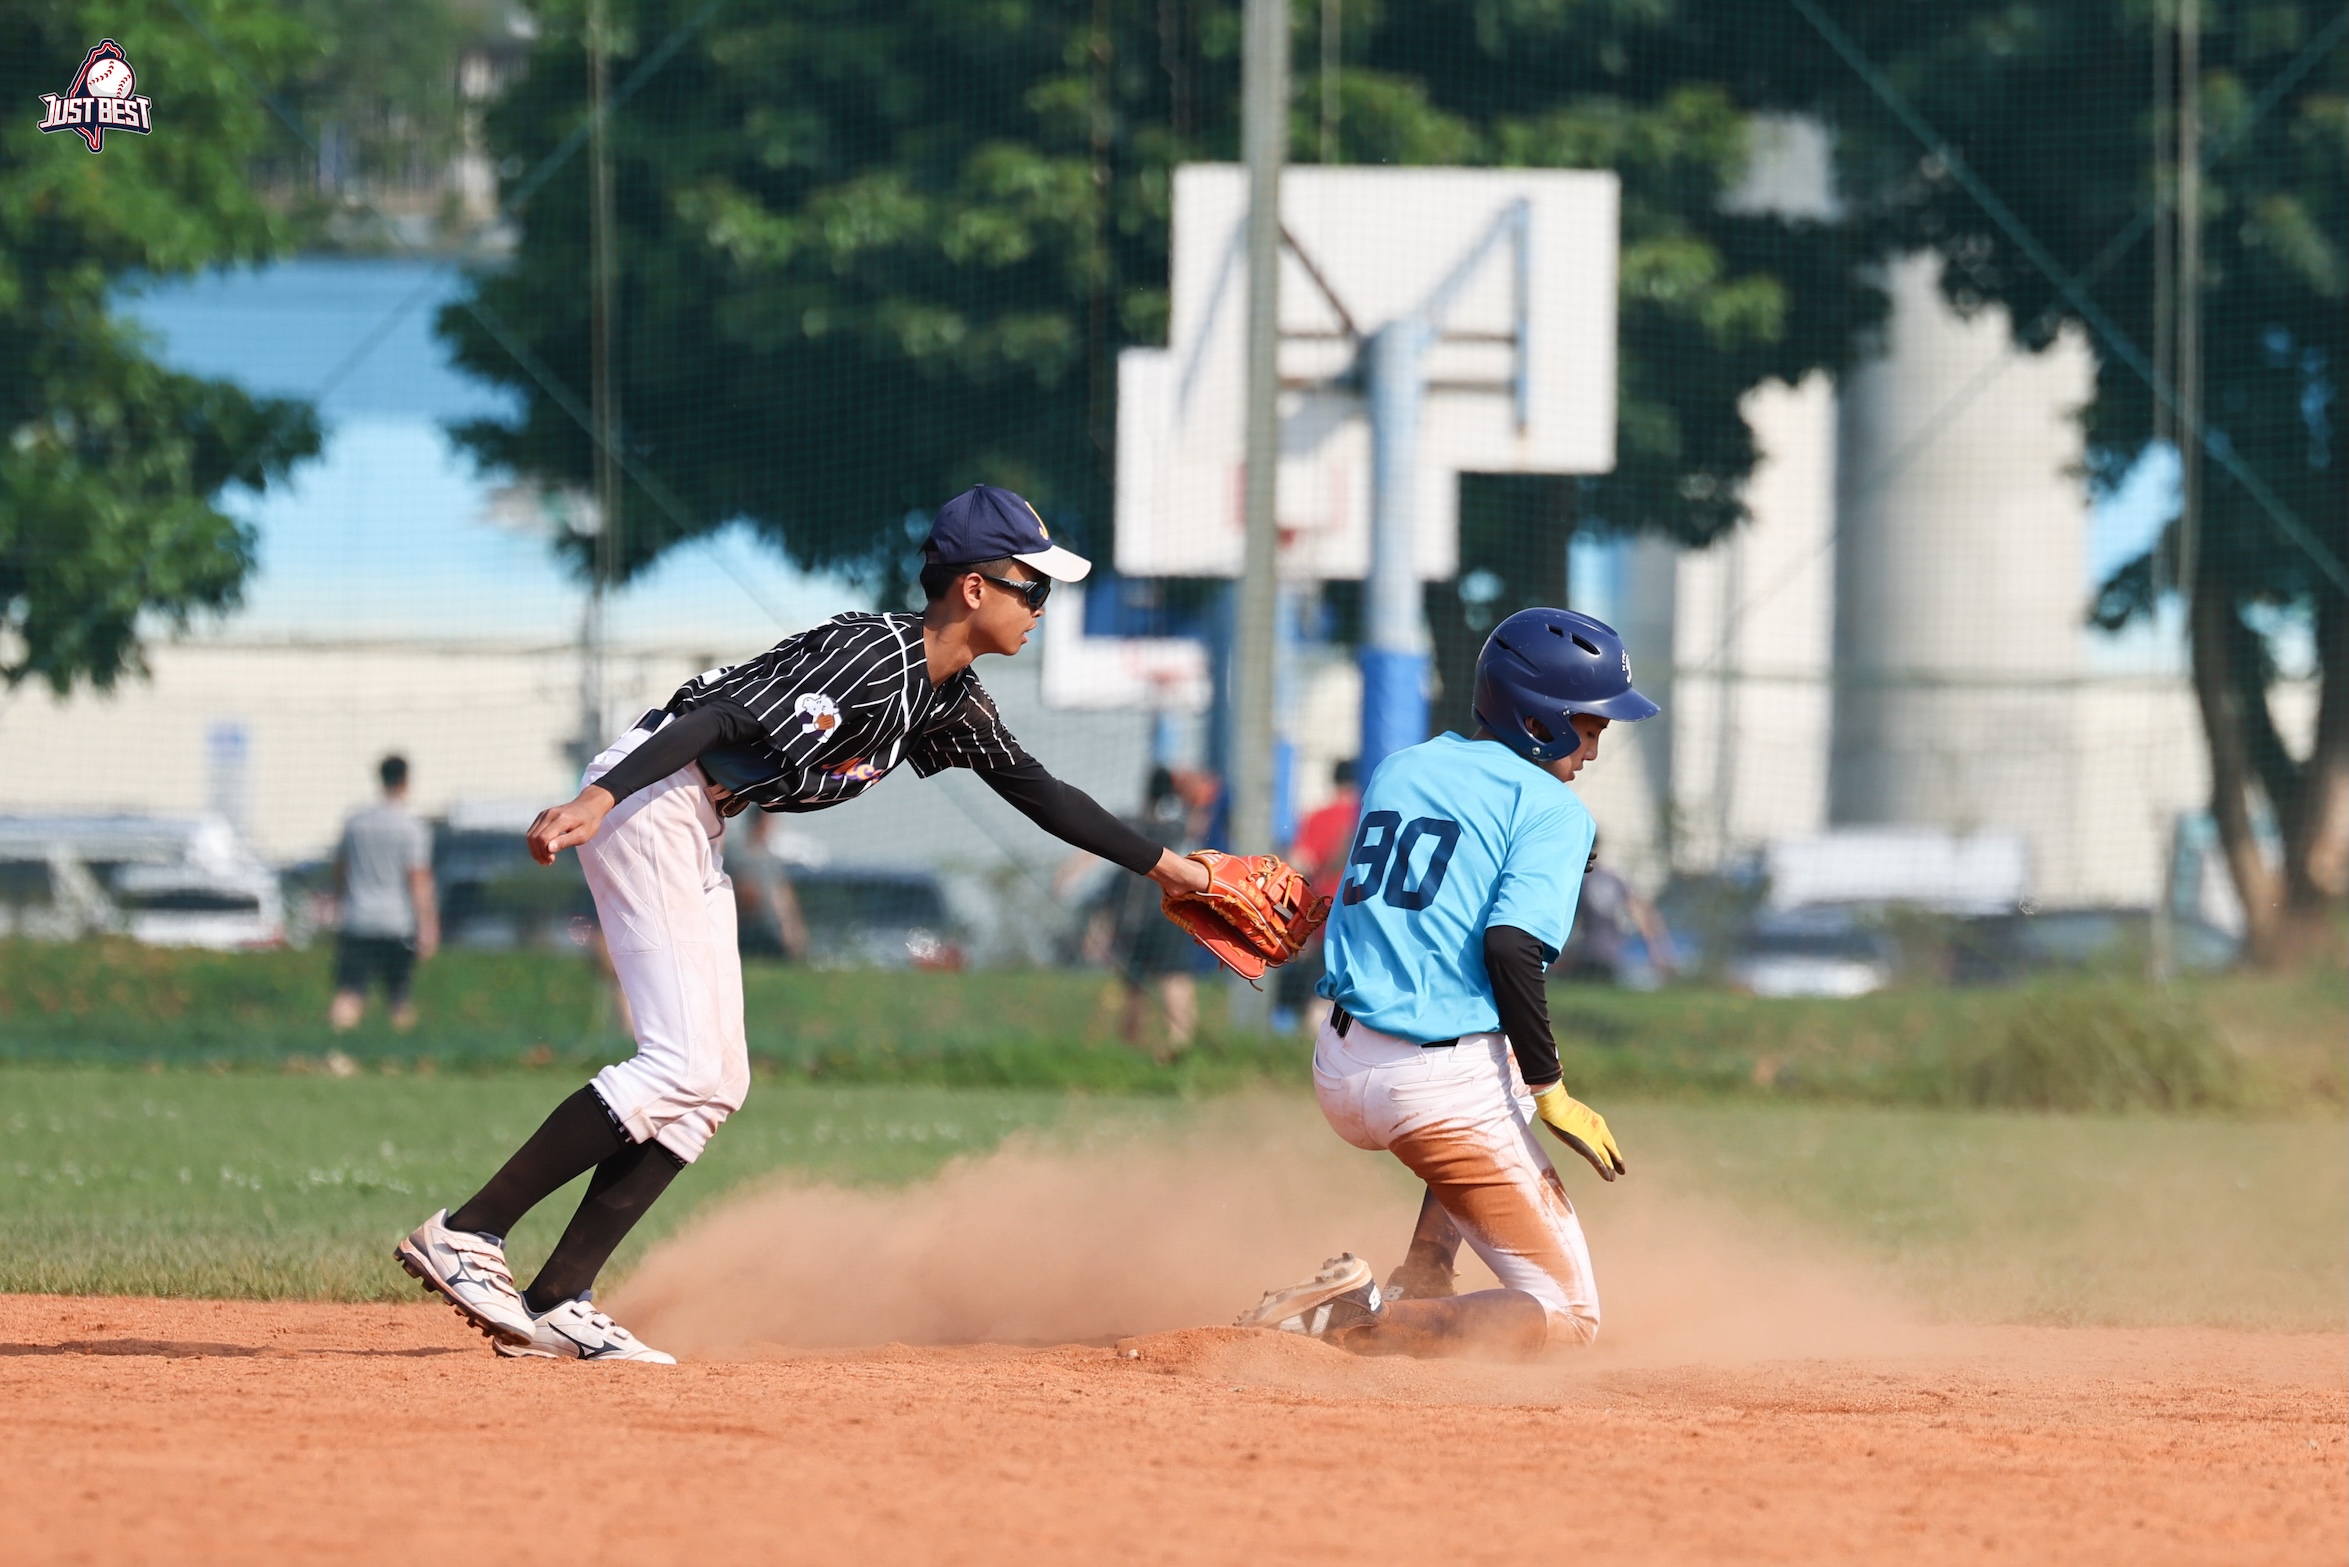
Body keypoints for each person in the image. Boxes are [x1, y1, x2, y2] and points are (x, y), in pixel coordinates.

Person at [395, 485, 1217, 1362]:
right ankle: (470, 1230)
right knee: (676, 1061)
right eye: (1032, 587)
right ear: (973, 589)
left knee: (716, 1081)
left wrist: (1173, 870)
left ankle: (559, 1296)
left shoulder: (944, 697)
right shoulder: (877, 660)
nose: (1041, 608)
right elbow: (716, 719)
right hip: (652, 796)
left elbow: (1038, 791)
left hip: (691, 816)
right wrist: (601, 795)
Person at [1235, 608, 1658, 1358]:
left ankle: (1426, 1268)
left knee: (1505, 1068)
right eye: (1588, 727)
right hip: (1434, 1093)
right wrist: (1553, 1087)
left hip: (1339, 1061)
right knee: (1567, 1317)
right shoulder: (1555, 810)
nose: (1594, 748)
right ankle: (1361, 1314)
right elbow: (1508, 945)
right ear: (1538, 720)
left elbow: (1455, 866)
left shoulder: (1404, 765)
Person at [328, 755, 437, 1032]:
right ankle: (400, 1056)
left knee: (349, 992)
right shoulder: (411, 827)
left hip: (358, 918)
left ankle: (335, 1047)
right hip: (397, 921)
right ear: (406, 781)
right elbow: (418, 879)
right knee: (399, 996)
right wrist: (427, 924)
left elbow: (342, 870)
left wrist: (338, 904)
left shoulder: (355, 823)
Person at [1100, 766, 1200, 1056]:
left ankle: (1130, 1047)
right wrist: (1191, 797)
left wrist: (1066, 876)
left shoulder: (1129, 822)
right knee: (1175, 976)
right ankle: (1179, 1043)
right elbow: (1197, 825)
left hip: (1132, 916)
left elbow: (1092, 847)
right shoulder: (1176, 826)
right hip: (1168, 912)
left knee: (1134, 984)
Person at [1274, 758, 1359, 1033]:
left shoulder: (1319, 816)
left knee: (1321, 985)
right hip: (1363, 911)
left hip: (1326, 913)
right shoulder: (1372, 813)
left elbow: (1300, 865)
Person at [1556, 834, 1676, 986]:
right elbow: (1642, 914)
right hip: (1614, 955)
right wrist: (1659, 953)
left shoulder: (1579, 879)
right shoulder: (1614, 878)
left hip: (1586, 954)